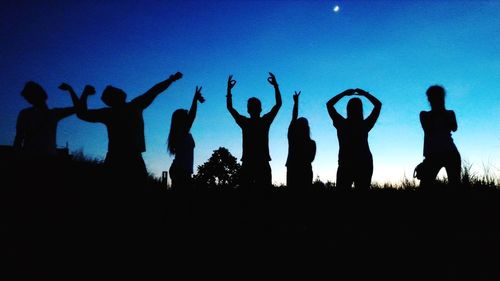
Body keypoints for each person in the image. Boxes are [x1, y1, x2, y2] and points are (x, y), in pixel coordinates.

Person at [61, 72, 183, 181]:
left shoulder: (111, 112)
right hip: (127, 158)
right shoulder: (134, 106)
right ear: (115, 96)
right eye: (114, 90)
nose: (118, 90)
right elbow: (155, 90)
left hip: (117, 159)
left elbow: (82, 113)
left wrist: (84, 93)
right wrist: (171, 80)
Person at [226, 73, 282, 190]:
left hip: (249, 163)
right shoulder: (264, 121)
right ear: (260, 108)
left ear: (248, 109)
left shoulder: (245, 122)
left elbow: (230, 108)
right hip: (261, 163)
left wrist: (229, 90)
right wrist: (275, 86)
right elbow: (278, 104)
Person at [326, 88, 382, 190]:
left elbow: (329, 105)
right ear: (361, 109)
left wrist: (344, 93)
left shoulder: (342, 124)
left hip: (346, 164)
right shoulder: (364, 125)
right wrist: (365, 94)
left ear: (348, 109)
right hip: (363, 163)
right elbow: (378, 105)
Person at [14, 81, 79, 157]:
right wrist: (70, 90)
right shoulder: (52, 114)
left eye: (29, 97)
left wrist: (70, 89)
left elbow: (18, 139)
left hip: (38, 158)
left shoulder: (25, 114)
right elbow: (79, 108)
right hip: (36, 158)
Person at [419, 85, 461, 188]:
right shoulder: (425, 115)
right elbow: (429, 131)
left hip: (445, 153)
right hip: (437, 154)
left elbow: (454, 128)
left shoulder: (448, 113)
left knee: (454, 186)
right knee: (425, 186)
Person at [167, 86, 204, 190]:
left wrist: (195, 99)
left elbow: (191, 117)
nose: (188, 116)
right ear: (181, 120)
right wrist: (195, 99)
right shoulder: (181, 133)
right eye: (185, 115)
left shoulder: (182, 133)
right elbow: (192, 116)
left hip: (182, 171)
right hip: (181, 171)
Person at [286, 91, 316, 190]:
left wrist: (296, 102)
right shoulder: (311, 143)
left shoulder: (293, 139)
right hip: (303, 170)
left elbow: (293, 118)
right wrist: (296, 102)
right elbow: (310, 159)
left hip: (294, 169)